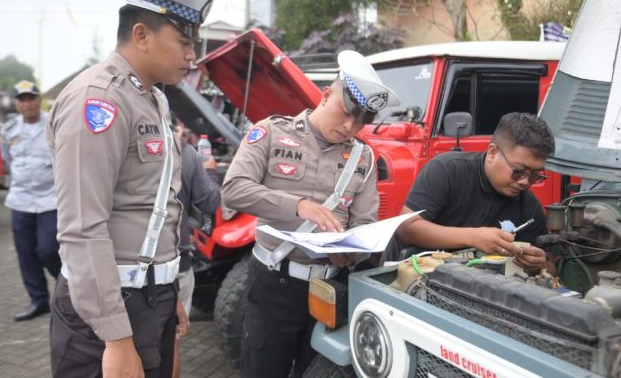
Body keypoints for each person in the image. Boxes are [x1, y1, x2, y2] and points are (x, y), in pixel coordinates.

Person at [45, 0, 216, 377]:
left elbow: (160, 204)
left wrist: (165, 283)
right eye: (184, 42)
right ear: (141, 34)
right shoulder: (99, 100)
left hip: (149, 297)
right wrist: (116, 339)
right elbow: (82, 228)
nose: (192, 56)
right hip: (105, 312)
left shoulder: (152, 97)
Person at [221, 50, 400, 378]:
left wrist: (352, 250)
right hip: (275, 283)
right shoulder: (272, 133)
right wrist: (298, 205)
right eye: (346, 113)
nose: (350, 126)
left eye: (361, 121)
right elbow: (233, 190)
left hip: (329, 289)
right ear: (327, 94)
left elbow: (363, 221)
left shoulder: (363, 158)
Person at [386, 112, 554, 273]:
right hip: (412, 277)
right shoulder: (448, 170)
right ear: (492, 152)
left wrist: (539, 265)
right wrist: (474, 237)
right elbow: (406, 228)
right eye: (518, 171)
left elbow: (552, 270)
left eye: (535, 175)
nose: (525, 181)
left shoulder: (530, 209)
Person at [1, 80, 61, 322]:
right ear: (16, 103)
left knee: (48, 249)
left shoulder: (53, 124)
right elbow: (8, 159)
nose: (27, 104)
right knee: (26, 254)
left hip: (50, 200)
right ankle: (38, 300)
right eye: (22, 100)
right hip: (21, 200)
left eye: (31, 98)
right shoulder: (9, 130)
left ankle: (69, 286)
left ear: (39, 99)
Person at [172, 141, 220, 378]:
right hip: (175, 263)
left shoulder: (114, 141)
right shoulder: (183, 151)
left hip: (121, 266)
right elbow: (211, 201)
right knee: (168, 344)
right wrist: (210, 170)